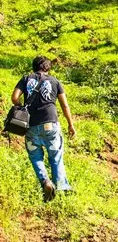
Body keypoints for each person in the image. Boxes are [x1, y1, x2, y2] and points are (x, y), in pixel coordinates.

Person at [11, 56, 76, 202]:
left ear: (34, 67)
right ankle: (61, 186)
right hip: (51, 124)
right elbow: (65, 105)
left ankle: (45, 181)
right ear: (48, 68)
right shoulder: (55, 81)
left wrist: (22, 108)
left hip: (31, 126)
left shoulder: (26, 78)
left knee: (35, 157)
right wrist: (71, 124)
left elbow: (14, 97)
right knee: (56, 156)